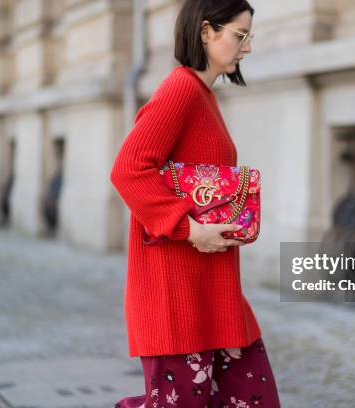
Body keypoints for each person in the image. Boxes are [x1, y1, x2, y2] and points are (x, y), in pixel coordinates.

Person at [110, 0, 281, 406]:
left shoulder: (204, 95)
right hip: (178, 298)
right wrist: (188, 229)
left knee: (253, 398)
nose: (248, 48)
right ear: (207, 32)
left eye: (249, 37)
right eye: (240, 35)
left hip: (215, 295)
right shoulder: (181, 88)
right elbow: (129, 169)